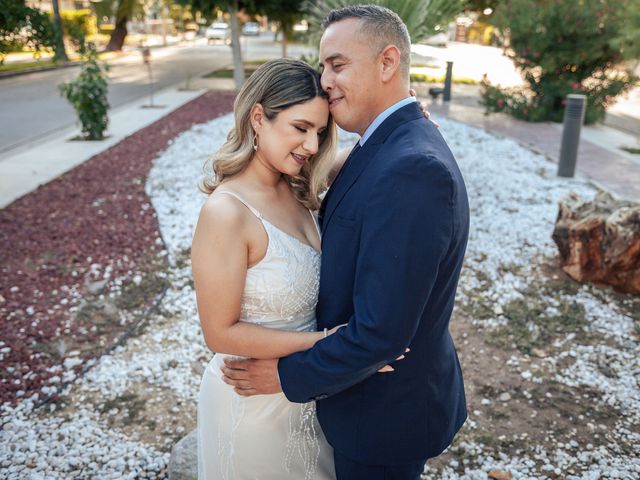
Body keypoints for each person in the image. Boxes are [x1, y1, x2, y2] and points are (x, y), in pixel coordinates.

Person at [221, 5, 470, 480]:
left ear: (387, 62)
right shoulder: (385, 144)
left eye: (337, 64)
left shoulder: (412, 168)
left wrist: (282, 376)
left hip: (382, 416)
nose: (325, 81)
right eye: (322, 67)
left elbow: (381, 334)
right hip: (355, 399)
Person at [191, 58, 340, 479]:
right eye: (300, 127)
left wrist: (401, 123)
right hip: (250, 401)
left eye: (320, 131)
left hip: (305, 391)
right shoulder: (226, 212)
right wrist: (326, 343)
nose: (312, 145)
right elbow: (219, 333)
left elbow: (364, 161)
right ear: (259, 117)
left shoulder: (298, 186)